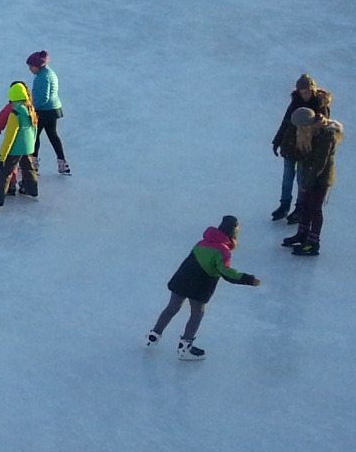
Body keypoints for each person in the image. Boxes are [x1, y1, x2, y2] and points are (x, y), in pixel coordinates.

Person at [147, 217, 259, 358]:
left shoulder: (201, 243)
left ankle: (154, 334)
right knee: (196, 314)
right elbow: (225, 272)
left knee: (172, 308)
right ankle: (185, 347)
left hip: (181, 280)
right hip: (200, 285)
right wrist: (248, 279)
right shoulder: (223, 250)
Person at [283, 106, 342, 256]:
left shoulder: (325, 137)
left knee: (315, 209)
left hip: (320, 179)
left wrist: (306, 184)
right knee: (305, 206)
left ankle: (313, 243)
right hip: (309, 176)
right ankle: (302, 234)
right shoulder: (311, 133)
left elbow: (319, 165)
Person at [270, 75, 330, 221]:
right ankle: (284, 206)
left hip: (305, 149)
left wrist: (318, 123)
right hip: (290, 146)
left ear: (313, 90)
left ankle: (300, 208)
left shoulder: (320, 105)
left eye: (308, 92)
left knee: (301, 180)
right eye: (302, 92)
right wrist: (276, 141)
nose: (305, 95)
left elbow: (323, 127)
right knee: (287, 179)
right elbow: (285, 122)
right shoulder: (295, 102)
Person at [0, 80, 38, 206]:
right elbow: (34, 130)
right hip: (28, 147)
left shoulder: (15, 113)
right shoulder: (30, 109)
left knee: (4, 173)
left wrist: (2, 156)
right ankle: (32, 190)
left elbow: (10, 137)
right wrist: (31, 146)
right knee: (28, 169)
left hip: (15, 149)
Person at [25, 51, 68, 174]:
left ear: (38, 66)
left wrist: (32, 108)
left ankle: (33, 163)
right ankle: (62, 162)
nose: (30, 69)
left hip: (44, 111)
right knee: (53, 135)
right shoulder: (49, 73)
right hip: (53, 109)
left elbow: (44, 97)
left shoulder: (42, 77)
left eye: (31, 67)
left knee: (34, 136)